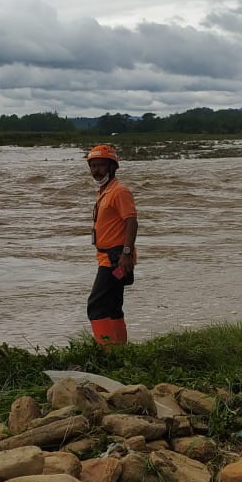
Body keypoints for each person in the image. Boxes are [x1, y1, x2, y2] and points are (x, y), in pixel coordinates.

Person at [86, 143, 138, 346]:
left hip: (115, 259)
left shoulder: (119, 191)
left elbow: (132, 221)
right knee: (113, 304)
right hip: (108, 257)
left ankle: (106, 351)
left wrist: (126, 253)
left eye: (100, 166)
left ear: (112, 167)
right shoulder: (105, 191)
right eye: (93, 166)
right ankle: (119, 349)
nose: (96, 170)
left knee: (96, 305)